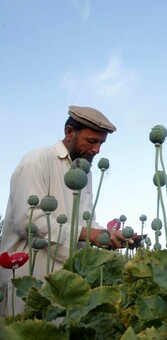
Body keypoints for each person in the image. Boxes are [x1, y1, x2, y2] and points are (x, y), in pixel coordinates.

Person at [0, 105, 130, 316]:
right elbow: (29, 222)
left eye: (101, 143)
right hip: (30, 274)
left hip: (67, 279)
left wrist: (108, 236)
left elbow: (85, 220)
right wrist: (89, 234)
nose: (97, 150)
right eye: (92, 141)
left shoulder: (84, 171)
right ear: (69, 132)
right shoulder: (37, 161)